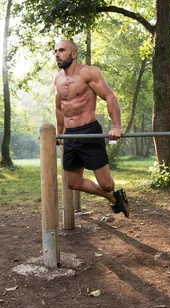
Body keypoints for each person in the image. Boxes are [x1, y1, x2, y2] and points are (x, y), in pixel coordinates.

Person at [53, 39, 129, 217]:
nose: (57, 54)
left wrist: (116, 126)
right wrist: (59, 134)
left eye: (61, 50)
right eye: (55, 51)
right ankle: (114, 199)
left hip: (89, 132)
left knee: (107, 184)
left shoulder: (88, 73)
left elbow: (110, 97)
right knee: (73, 183)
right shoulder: (57, 78)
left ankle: (112, 193)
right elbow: (59, 107)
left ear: (73, 54)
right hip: (70, 135)